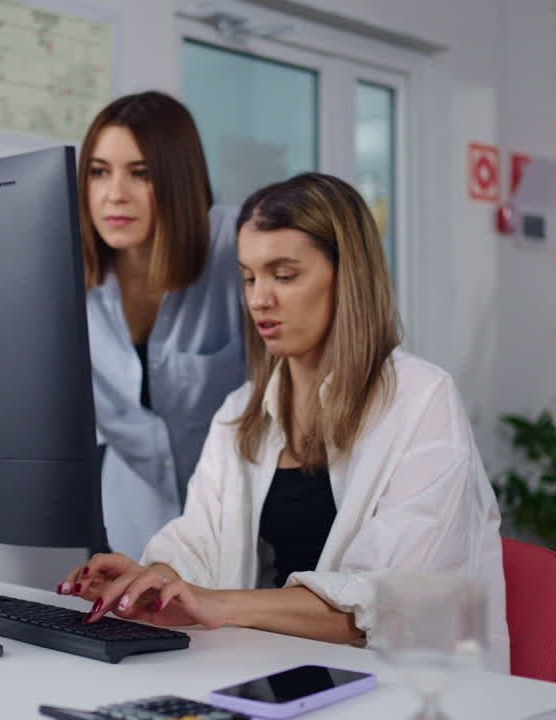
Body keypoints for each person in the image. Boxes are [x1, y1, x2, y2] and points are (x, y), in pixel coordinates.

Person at [55, 173, 510, 672]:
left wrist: (221, 603)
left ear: (348, 276)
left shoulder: (423, 400)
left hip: (406, 691)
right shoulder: (240, 411)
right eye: (249, 277)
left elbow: (393, 602)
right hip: (276, 677)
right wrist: (155, 580)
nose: (258, 299)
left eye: (284, 275)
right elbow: (198, 544)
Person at [0, 91, 246, 566]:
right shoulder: (61, 270)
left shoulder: (238, 249)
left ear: (180, 180)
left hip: (245, 524)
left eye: (140, 173)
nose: (114, 194)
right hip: (132, 531)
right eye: (99, 172)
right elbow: (6, 410)